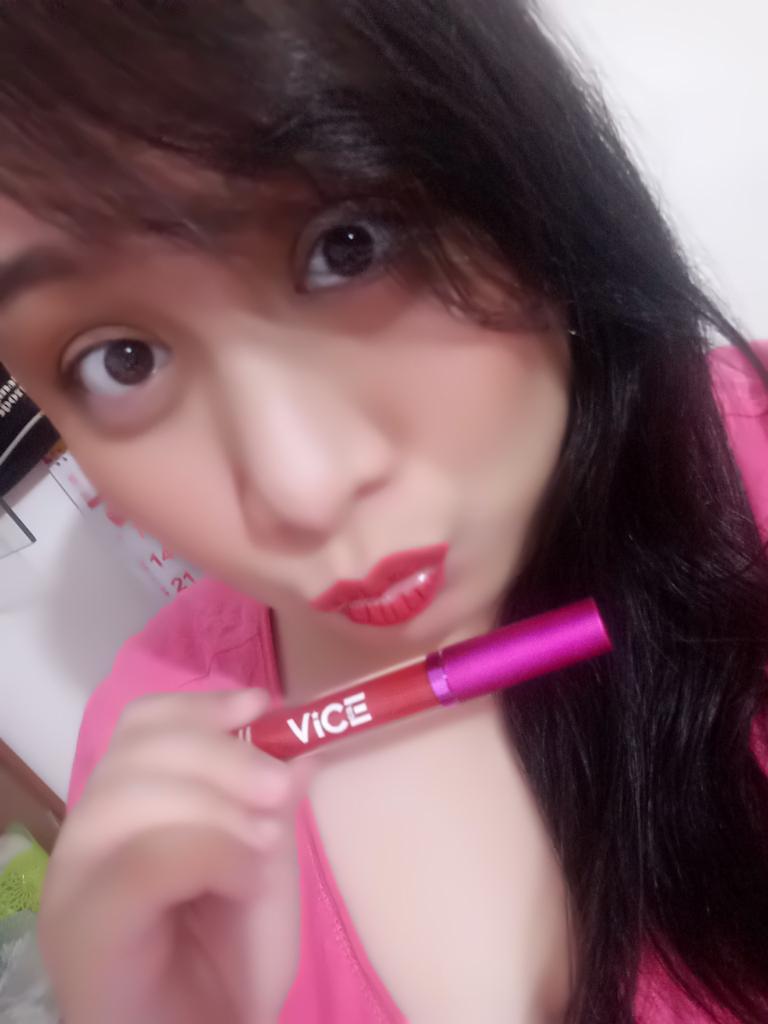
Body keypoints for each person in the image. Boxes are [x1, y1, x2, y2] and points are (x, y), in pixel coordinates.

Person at [1, 1, 767, 1021]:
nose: (303, 488)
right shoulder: (150, 735)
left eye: (350, 246)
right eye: (122, 360)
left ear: (520, 160)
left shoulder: (750, 456)